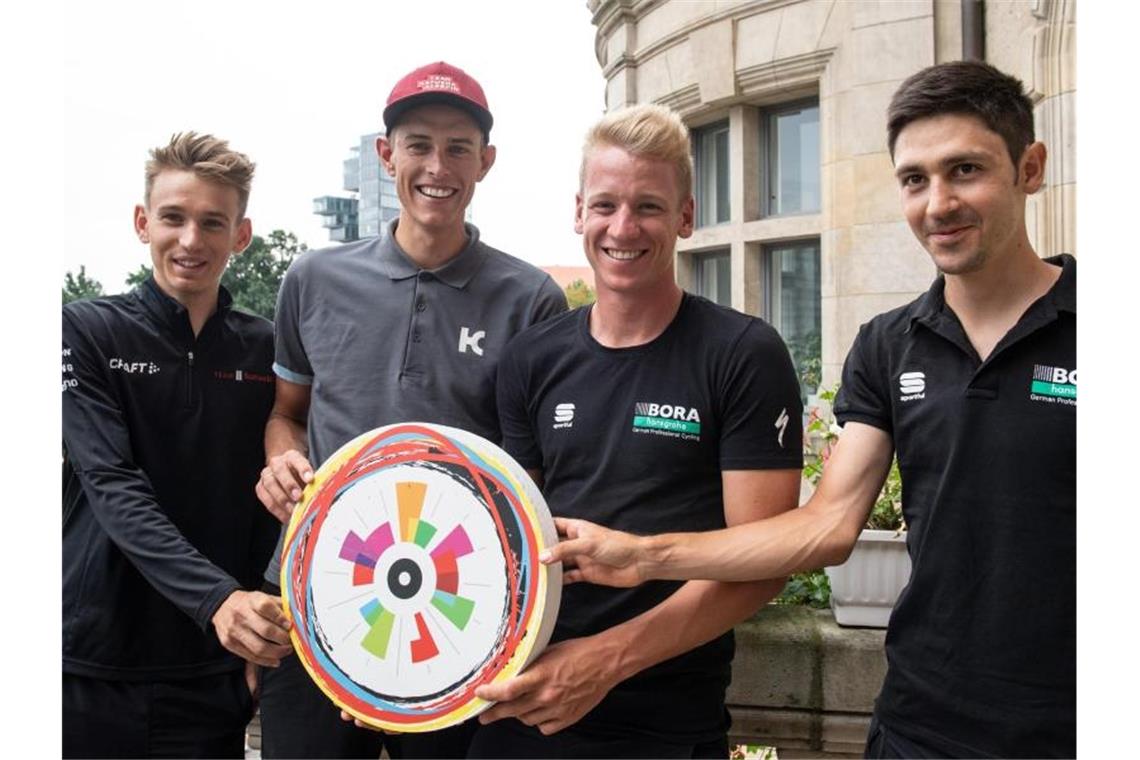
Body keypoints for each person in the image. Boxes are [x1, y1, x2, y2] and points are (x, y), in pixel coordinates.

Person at [542, 61, 1076, 759]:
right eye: (915, 179)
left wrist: (645, 559)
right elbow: (826, 527)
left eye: (966, 170)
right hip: (919, 727)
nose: (938, 203)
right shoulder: (889, 345)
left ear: (1030, 168)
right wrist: (644, 556)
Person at [466, 103, 805, 758]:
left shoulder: (741, 353)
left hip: (664, 719)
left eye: (648, 206)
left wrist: (604, 661)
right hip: (526, 702)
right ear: (578, 212)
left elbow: (764, 564)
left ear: (685, 216)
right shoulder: (531, 359)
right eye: (605, 205)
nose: (623, 227)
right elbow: (512, 547)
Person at [254, 60, 568, 759]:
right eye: (419, 143)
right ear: (385, 153)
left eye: (459, 148)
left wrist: (408, 658)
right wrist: (281, 457)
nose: (437, 165)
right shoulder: (312, 279)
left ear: (486, 162)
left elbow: (535, 472)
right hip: (316, 597)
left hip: (462, 616)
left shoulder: (531, 299)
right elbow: (287, 413)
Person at [62, 132, 290, 758]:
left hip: (213, 670)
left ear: (240, 235)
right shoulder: (83, 330)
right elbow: (111, 482)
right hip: (90, 665)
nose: (191, 240)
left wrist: (260, 617)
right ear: (143, 223)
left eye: (212, 222)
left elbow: (275, 505)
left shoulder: (268, 350)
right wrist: (217, 599)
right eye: (173, 217)